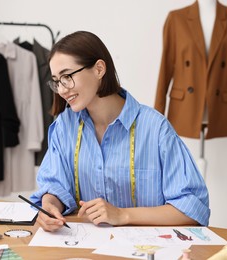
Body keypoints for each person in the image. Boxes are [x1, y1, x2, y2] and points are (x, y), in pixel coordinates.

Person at [30, 31, 210, 232]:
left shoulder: (155, 129)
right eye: (56, 80)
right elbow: (55, 185)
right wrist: (49, 206)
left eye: (67, 76)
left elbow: (193, 208)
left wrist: (123, 214)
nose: (62, 89)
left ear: (99, 69)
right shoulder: (65, 127)